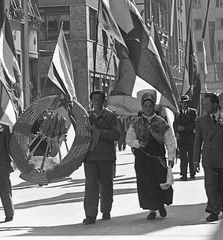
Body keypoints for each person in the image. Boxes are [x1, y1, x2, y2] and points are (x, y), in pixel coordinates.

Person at [126, 91, 176, 220]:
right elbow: (129, 139)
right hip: (142, 159)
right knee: (146, 184)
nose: (148, 109)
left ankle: (160, 205)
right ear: (142, 107)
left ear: (154, 106)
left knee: (160, 182)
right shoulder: (136, 123)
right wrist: (138, 143)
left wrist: (171, 157)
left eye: (150, 106)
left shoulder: (161, 122)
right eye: (145, 106)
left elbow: (170, 140)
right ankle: (152, 209)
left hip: (157, 157)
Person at [193, 92, 223, 222]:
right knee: (211, 186)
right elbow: (197, 141)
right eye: (204, 103)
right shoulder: (201, 120)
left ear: (215, 104)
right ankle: (213, 211)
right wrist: (195, 160)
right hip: (209, 158)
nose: (204, 106)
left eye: (207, 104)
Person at [82, 90, 120, 224]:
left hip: (106, 156)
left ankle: (106, 210)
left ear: (104, 101)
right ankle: (90, 214)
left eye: (100, 99)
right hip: (90, 156)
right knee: (91, 187)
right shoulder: (86, 116)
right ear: (91, 100)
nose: (97, 102)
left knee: (106, 186)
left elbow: (116, 134)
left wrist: (98, 132)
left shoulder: (111, 116)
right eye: (94, 99)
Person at [174, 95, 198, 180]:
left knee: (191, 155)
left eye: (185, 103)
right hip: (181, 138)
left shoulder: (192, 112)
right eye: (182, 103)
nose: (184, 104)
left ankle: (192, 172)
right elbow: (175, 124)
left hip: (190, 137)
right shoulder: (177, 113)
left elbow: (194, 124)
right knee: (183, 157)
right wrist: (176, 132)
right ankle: (183, 174)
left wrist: (184, 128)